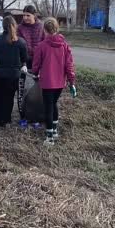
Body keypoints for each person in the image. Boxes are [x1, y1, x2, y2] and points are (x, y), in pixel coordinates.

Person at [32, 17, 77, 146]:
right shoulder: (64, 45)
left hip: (47, 82)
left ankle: (49, 137)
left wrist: (35, 73)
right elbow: (69, 66)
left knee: (48, 107)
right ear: (57, 29)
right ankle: (55, 131)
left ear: (44, 30)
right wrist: (71, 82)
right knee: (54, 104)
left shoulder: (41, 46)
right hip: (60, 83)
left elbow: (36, 64)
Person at [0, 16, 28, 127]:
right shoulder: (21, 42)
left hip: (0, 73)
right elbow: (24, 58)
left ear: (3, 26)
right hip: (14, 75)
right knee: (9, 98)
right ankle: (6, 119)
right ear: (14, 26)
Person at [17, 5, 45, 129]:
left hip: (39, 64)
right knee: (22, 91)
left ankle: (36, 118)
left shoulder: (41, 27)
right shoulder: (20, 28)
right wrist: (22, 62)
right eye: (24, 15)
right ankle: (23, 117)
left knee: (37, 93)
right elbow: (17, 45)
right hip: (24, 63)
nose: (25, 17)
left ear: (34, 15)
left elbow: (45, 43)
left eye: (28, 15)